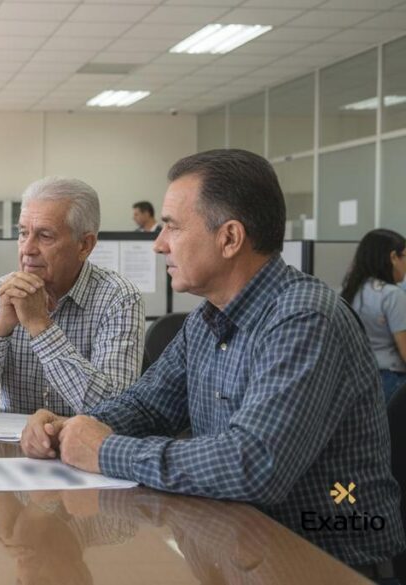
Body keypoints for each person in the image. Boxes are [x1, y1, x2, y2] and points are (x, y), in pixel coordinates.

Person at [22, 149, 405, 577]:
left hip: (324, 561)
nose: (159, 244)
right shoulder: (207, 320)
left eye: (172, 227)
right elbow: (147, 406)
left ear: (229, 238)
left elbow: (253, 463)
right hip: (240, 550)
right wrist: (68, 427)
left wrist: (105, 450)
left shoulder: (304, 318)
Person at [0, 176, 145, 416]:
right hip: (12, 447)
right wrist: (0, 327)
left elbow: (114, 410)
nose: (27, 249)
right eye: (22, 233)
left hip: (82, 449)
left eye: (45, 236)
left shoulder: (119, 298)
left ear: (84, 245)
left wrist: (40, 325)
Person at [342, 229, 406, 403]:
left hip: (360, 379)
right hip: (392, 381)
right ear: (393, 257)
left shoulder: (352, 291)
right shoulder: (392, 294)